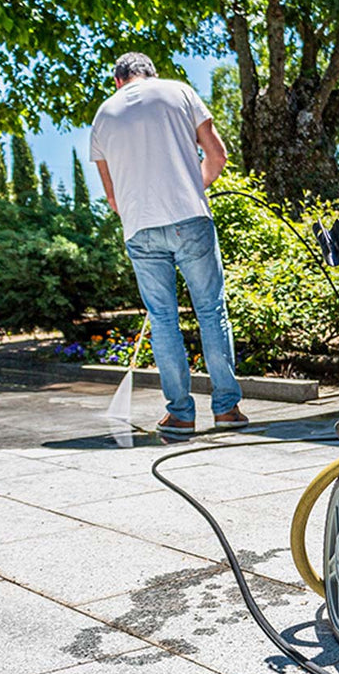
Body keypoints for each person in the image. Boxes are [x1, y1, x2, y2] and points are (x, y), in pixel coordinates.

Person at [90, 51, 247, 435]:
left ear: (119, 81)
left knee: (163, 320)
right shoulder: (179, 91)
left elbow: (113, 199)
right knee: (211, 311)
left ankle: (180, 413)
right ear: (151, 74)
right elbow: (218, 155)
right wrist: (197, 185)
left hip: (140, 230)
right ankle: (226, 410)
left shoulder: (103, 116)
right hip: (189, 218)